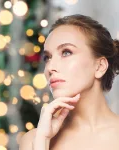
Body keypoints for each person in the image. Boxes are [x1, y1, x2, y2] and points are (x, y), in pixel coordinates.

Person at [19, 14, 119, 150]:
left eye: (66, 52)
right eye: (47, 57)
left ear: (100, 66)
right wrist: (42, 141)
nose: (50, 67)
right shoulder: (33, 140)